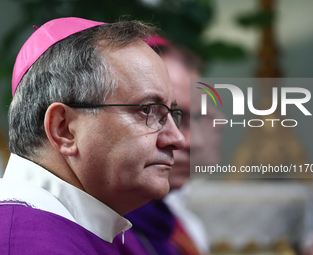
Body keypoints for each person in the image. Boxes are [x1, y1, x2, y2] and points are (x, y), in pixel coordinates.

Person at [0, 17, 185, 254]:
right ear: (64, 129)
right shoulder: (23, 243)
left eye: (172, 113)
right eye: (147, 110)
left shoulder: (84, 227)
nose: (176, 138)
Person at [113, 37, 223, 255]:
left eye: (186, 118)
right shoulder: (94, 233)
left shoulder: (177, 223)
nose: (190, 142)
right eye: (156, 114)